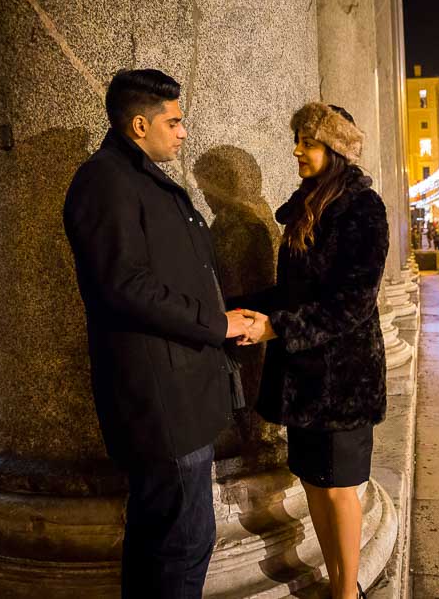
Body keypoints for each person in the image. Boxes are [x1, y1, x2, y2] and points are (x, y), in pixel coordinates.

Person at [62, 69, 254, 598]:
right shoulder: (105, 180)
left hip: (180, 387)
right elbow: (124, 285)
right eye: (175, 121)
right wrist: (216, 323)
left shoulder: (140, 177)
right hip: (160, 397)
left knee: (165, 537)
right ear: (140, 125)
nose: (184, 132)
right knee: (183, 541)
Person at [237, 103, 387, 599]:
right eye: (298, 140)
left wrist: (276, 328)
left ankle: (348, 593)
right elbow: (291, 292)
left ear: (336, 149)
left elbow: (354, 304)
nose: (297, 150)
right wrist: (237, 311)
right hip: (304, 378)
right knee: (315, 484)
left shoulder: (363, 209)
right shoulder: (308, 204)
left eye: (309, 142)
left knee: (341, 488)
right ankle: (336, 582)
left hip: (343, 380)